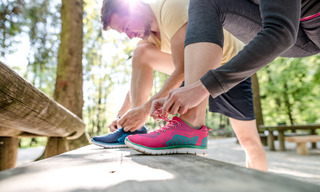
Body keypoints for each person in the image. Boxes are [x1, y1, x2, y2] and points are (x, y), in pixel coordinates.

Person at [125, 0, 319, 162]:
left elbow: (281, 32)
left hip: (305, 25)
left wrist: (201, 87)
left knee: (249, 141)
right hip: (300, 26)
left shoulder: (168, 11)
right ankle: (189, 126)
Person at [96, 0, 268, 171]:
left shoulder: (171, 8)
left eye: (126, 27)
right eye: (123, 33)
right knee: (141, 53)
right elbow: (138, 81)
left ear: (136, 7)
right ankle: (132, 129)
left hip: (227, 68)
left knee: (248, 141)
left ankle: (262, 187)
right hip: (194, 71)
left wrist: (145, 110)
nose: (129, 35)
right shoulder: (148, 36)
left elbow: (184, 69)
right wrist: (123, 117)